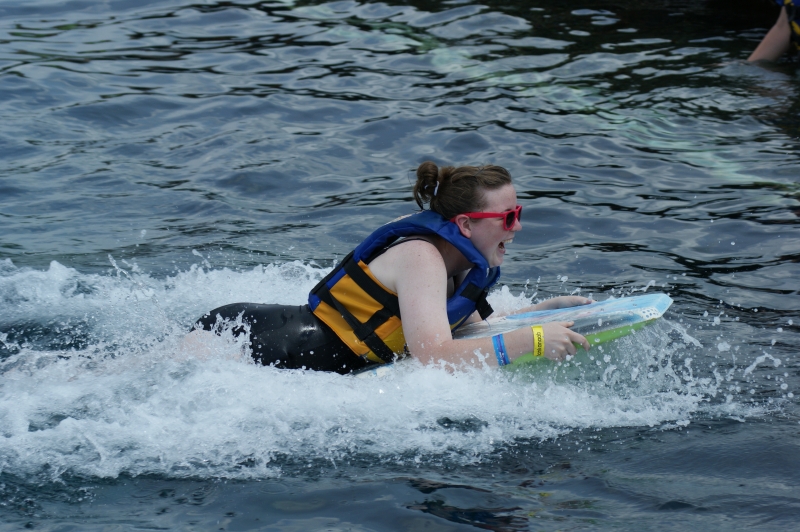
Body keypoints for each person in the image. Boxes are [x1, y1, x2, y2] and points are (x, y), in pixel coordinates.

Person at [186, 161, 591, 374]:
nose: (517, 227)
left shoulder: (463, 265)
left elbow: (459, 331)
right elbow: (434, 355)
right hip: (245, 340)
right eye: (507, 217)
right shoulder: (422, 258)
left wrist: (538, 314)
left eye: (518, 213)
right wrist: (531, 342)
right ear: (466, 225)